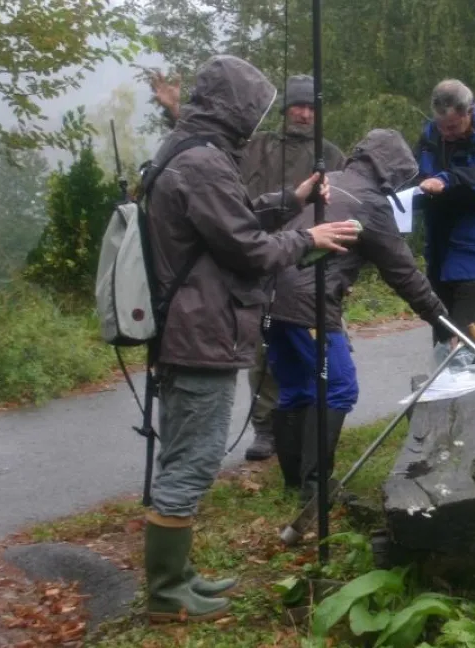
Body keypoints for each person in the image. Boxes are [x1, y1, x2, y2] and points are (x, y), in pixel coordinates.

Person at [142, 54, 360, 623]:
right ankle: (166, 593)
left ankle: (180, 575)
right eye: (254, 107)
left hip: (187, 326)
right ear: (234, 107)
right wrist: (307, 236)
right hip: (200, 330)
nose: (257, 117)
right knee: (194, 460)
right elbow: (250, 249)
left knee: (183, 454)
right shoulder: (206, 162)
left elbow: (232, 218)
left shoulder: (187, 151)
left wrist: (291, 200)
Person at [150, 72, 347, 463]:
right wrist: (175, 110)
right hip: (243, 266)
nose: (304, 114)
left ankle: (300, 425)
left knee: (302, 350)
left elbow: (342, 210)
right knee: (260, 352)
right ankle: (265, 428)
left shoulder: (332, 155)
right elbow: (218, 201)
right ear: (284, 110)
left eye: (311, 108)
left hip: (300, 269)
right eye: (297, 106)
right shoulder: (252, 146)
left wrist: (300, 209)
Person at [267, 128, 452, 504]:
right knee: (338, 386)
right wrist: (438, 315)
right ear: (392, 172)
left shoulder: (328, 181)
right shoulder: (371, 202)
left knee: (295, 388)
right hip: (309, 304)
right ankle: (316, 488)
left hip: (269, 296)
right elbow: (401, 271)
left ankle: (293, 479)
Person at [416, 79, 475, 357]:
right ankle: (445, 400)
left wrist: (446, 181)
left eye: (454, 127)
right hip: (440, 255)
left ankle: (474, 398)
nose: (447, 134)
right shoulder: (429, 139)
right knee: (443, 341)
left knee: (468, 345)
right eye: (442, 127)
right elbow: (413, 173)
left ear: (469, 112)